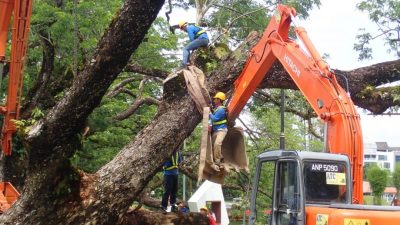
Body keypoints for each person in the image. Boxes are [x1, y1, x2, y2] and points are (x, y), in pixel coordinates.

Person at [209, 92, 228, 172]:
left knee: (217, 144)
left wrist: (209, 113)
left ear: (219, 100)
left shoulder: (221, 110)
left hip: (222, 130)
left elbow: (214, 119)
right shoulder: (217, 109)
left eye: (215, 99)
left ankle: (217, 161)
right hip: (216, 130)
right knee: (213, 146)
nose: (214, 100)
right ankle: (220, 157)